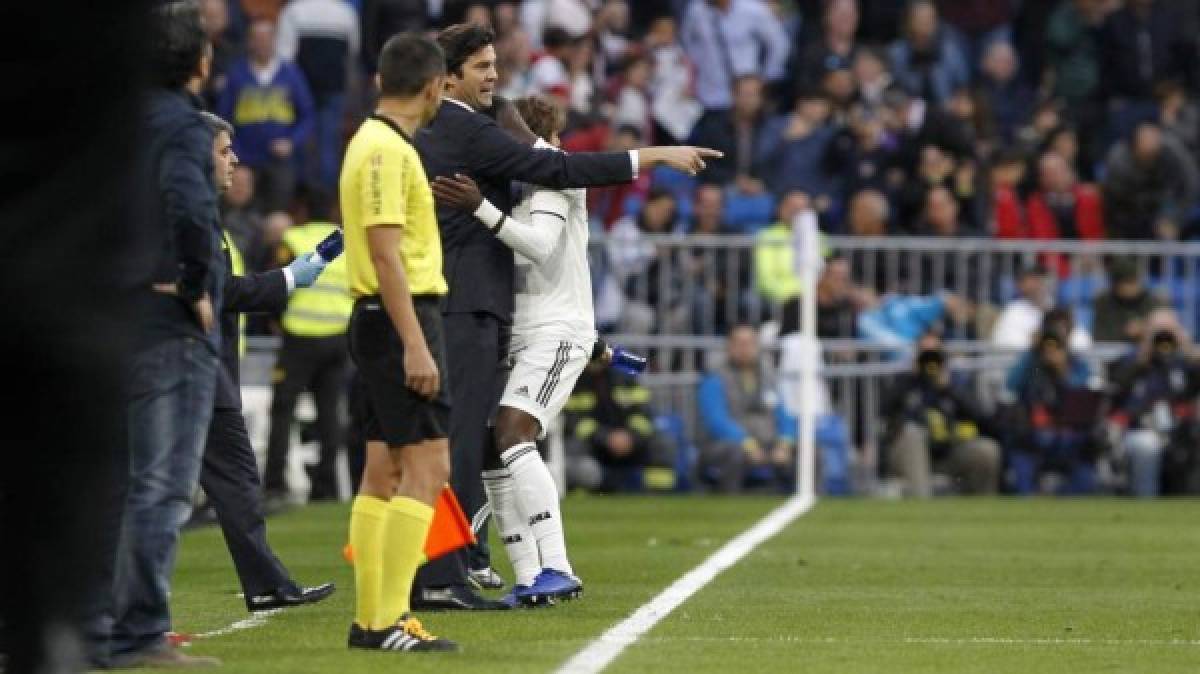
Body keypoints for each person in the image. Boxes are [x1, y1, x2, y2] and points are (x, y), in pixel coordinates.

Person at [409, 22, 720, 610]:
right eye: (483, 69)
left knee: (502, 434)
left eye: (520, 132)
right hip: (507, 324)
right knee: (482, 441)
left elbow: (542, 248)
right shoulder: (498, 163)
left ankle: (543, 565)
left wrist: (482, 208)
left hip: (541, 328)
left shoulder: (539, 177)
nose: (516, 141)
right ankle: (510, 569)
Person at [432, 94, 610, 606]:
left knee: (514, 430)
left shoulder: (556, 181)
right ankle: (530, 576)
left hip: (555, 331)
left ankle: (557, 565)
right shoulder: (518, 191)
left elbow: (539, 246)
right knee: (492, 445)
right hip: (526, 333)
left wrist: (479, 208)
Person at [108, 2, 224, 667]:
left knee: (114, 483)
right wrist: (192, 283)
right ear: (200, 63)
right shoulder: (182, 128)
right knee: (162, 484)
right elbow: (188, 203)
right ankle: (139, 633)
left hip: (108, 315)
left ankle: (94, 622)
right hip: (165, 323)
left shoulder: (110, 125)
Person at [340, 32, 458, 653]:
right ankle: (388, 619)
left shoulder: (372, 143)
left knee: (383, 468)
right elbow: (387, 254)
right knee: (428, 465)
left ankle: (371, 622)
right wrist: (416, 343)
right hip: (400, 318)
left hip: (378, 318)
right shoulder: (387, 151)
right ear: (435, 85)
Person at [196, 111, 336, 613]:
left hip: (207, 376)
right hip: (193, 376)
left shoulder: (203, 215)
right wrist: (291, 280)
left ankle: (267, 584)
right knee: (159, 492)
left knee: (228, 486)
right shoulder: (188, 215)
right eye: (223, 151)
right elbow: (222, 292)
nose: (235, 160)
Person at [263, 190, 353, 503]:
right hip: (338, 338)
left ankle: (275, 483)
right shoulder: (342, 241)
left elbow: (276, 283)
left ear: (300, 210)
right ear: (331, 209)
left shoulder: (292, 238)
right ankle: (325, 489)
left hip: (299, 337)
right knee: (329, 414)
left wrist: (276, 319)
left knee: (283, 411)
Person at [217, 18, 314, 211]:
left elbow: (308, 116)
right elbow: (223, 118)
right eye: (257, 39)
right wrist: (233, 150)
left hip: (279, 161)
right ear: (250, 42)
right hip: (243, 159)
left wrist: (291, 142)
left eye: (267, 38)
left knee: (278, 209)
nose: (262, 44)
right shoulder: (237, 74)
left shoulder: (291, 74)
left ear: (275, 41)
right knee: (242, 212)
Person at [882, 345, 1001, 497]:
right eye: (926, 357)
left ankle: (983, 510)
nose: (930, 365)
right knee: (912, 434)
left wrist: (949, 389)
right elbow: (885, 410)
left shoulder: (952, 386)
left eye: (935, 358)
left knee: (986, 450)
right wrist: (912, 379)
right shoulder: (905, 382)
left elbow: (982, 418)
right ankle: (923, 505)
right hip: (908, 454)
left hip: (945, 452)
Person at [1107, 311, 1200, 497]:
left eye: (1169, 331)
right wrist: (1144, 351)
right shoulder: (1133, 358)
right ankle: (1146, 502)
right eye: (1158, 331)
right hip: (1142, 428)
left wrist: (1187, 346)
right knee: (1146, 445)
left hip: (1180, 430)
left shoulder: (1182, 361)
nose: (1163, 338)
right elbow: (1118, 384)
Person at [697, 324, 798, 492]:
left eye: (750, 343)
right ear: (729, 347)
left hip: (769, 443)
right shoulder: (714, 378)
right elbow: (716, 421)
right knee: (733, 453)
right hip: (727, 445)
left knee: (810, 451)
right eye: (739, 343)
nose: (745, 348)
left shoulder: (768, 377)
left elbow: (784, 415)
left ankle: (810, 508)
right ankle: (729, 504)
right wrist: (748, 444)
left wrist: (784, 444)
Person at [276, 0, 360, 190]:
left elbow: (285, 55)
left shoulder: (294, 10)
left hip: (304, 89)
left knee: (301, 139)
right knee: (328, 143)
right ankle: (324, 194)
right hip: (330, 87)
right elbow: (353, 52)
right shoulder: (346, 13)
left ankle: (301, 191)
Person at [1007, 330, 1099, 495]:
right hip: (1034, 435)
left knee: (1087, 456)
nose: (1051, 353)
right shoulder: (1032, 366)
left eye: (1056, 347)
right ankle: (1027, 498)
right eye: (1046, 348)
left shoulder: (1077, 366)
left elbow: (1083, 396)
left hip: (1071, 436)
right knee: (1021, 449)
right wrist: (1031, 354)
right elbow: (1011, 385)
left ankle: (1067, 496)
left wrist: (1063, 371)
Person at [679, 0, 790, 111]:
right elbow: (687, 42)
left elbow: (778, 44)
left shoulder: (753, 9)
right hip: (710, 93)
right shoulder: (696, 10)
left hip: (747, 91)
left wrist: (766, 77)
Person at [1092, 259, 1165, 343]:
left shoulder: (1151, 299)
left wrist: (1146, 328)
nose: (1136, 286)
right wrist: (1126, 333)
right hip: (1113, 352)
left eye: (1136, 281)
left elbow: (1164, 332)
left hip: (1147, 351)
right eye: (1129, 282)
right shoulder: (1104, 303)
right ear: (1117, 284)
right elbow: (1100, 336)